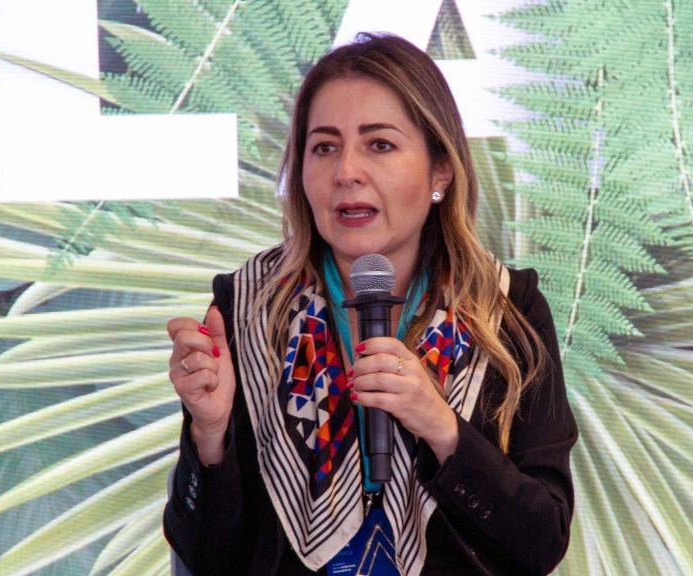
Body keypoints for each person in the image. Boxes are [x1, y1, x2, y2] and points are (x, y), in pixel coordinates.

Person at [163, 32, 577, 575]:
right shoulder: (247, 308)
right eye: (324, 147)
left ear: (440, 170)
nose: (346, 172)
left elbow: (542, 542)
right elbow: (209, 558)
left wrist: (442, 428)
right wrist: (210, 436)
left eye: (379, 145)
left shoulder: (507, 311)